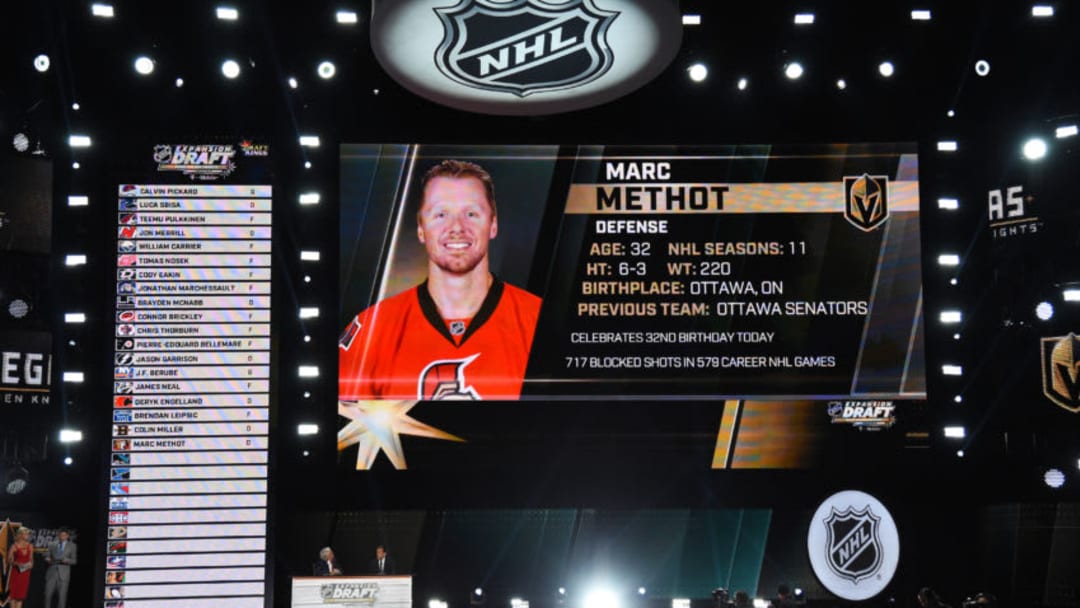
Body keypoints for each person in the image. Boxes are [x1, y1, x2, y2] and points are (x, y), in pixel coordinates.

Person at [339, 160, 541, 401]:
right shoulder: (371, 331)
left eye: (471, 213)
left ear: (493, 225)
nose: (456, 227)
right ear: (421, 229)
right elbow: (343, 434)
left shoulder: (539, 320)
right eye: (441, 214)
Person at [44, 528, 78, 608]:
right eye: (61, 535)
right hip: (51, 573)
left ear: (67, 536)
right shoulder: (52, 544)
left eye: (64, 535)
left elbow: (74, 561)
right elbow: (47, 556)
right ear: (59, 536)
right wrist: (48, 559)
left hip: (64, 574)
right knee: (47, 596)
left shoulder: (72, 546)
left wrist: (67, 560)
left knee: (62, 598)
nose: (62, 537)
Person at [6, 527, 35, 608]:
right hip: (16, 573)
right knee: (13, 596)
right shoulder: (14, 546)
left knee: (20, 597)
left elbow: (31, 559)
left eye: (28, 534)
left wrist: (31, 564)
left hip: (25, 574)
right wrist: (17, 563)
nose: (28, 536)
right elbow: (9, 560)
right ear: (20, 535)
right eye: (26, 534)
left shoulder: (30, 546)